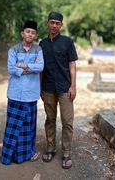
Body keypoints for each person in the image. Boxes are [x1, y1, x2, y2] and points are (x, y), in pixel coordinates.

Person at [0, 20, 44, 165]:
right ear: (22, 33)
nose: (30, 34)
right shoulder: (13, 50)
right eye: (27, 31)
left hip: (31, 94)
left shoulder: (38, 50)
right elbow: (11, 69)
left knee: (28, 127)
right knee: (13, 127)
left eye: (33, 32)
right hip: (15, 93)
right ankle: (9, 156)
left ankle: (27, 153)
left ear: (36, 35)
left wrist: (24, 65)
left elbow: (41, 66)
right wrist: (30, 68)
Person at [39, 11, 78, 169]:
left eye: (57, 23)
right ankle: (50, 148)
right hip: (48, 87)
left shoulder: (67, 42)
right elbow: (41, 68)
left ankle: (67, 152)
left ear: (61, 25)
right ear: (47, 24)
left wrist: (73, 86)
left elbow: (72, 65)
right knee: (50, 119)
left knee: (67, 122)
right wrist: (40, 87)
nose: (54, 25)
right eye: (52, 22)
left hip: (65, 88)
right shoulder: (42, 43)